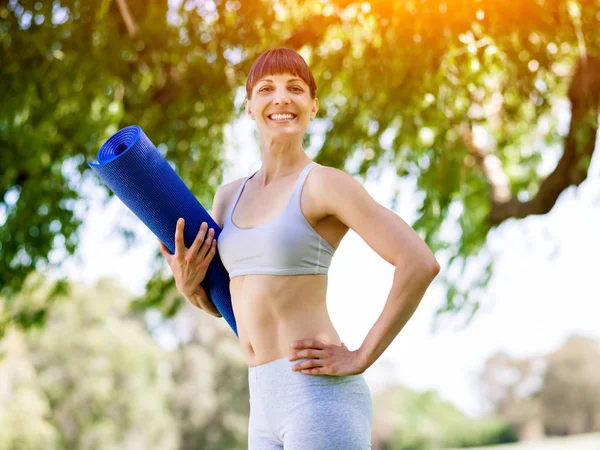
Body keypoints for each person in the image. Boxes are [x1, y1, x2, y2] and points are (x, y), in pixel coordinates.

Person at [159, 48, 440, 450]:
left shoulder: (324, 184)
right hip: (261, 401)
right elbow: (231, 306)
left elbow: (419, 262)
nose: (281, 98)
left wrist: (361, 356)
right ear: (250, 107)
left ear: (312, 106)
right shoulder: (227, 198)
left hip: (318, 397)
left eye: (295, 88)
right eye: (266, 89)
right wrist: (189, 288)